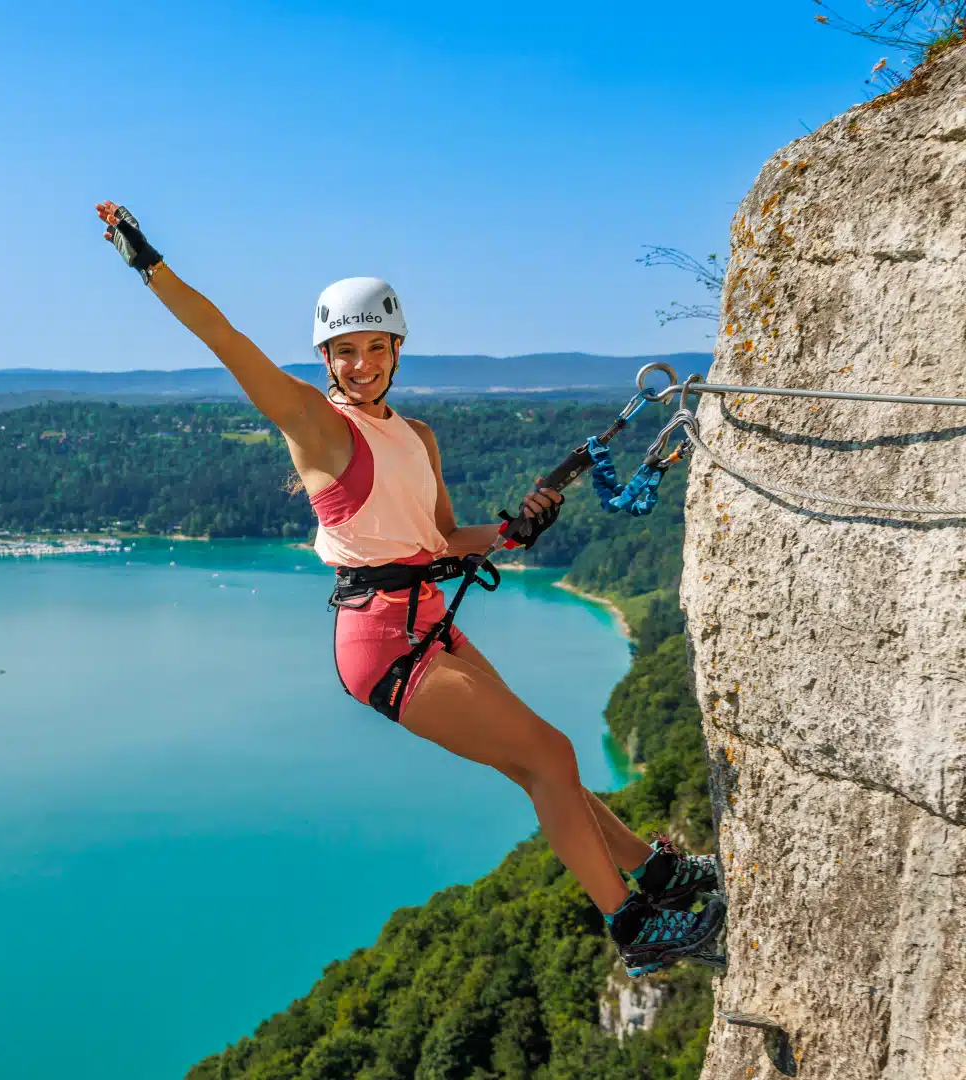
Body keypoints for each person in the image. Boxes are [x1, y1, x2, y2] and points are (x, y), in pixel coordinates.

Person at [95, 202, 723, 976]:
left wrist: (514, 532)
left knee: (540, 767)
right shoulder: (317, 426)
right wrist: (147, 261)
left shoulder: (418, 436)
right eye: (342, 351)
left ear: (396, 350)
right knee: (553, 755)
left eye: (372, 348)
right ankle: (633, 927)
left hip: (428, 622)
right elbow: (225, 340)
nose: (358, 365)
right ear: (325, 359)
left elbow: (443, 539)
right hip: (382, 644)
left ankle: (653, 874)